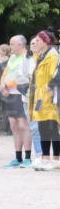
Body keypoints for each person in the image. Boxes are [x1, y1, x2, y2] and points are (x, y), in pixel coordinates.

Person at [0, 36, 35, 168]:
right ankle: (18, 157)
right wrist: (1, 85)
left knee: (23, 125)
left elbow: (23, 77)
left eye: (12, 44)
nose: (10, 47)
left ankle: (27, 157)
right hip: (9, 95)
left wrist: (7, 86)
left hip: (20, 95)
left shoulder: (27, 58)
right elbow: (6, 73)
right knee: (14, 125)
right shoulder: (13, 58)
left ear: (20, 45)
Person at [29, 30, 60, 170]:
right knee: (42, 128)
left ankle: (57, 159)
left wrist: (51, 85)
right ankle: (45, 157)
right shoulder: (39, 56)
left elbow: (57, 74)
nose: (36, 43)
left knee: (52, 128)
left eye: (38, 40)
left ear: (46, 41)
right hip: (40, 95)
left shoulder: (53, 56)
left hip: (51, 96)